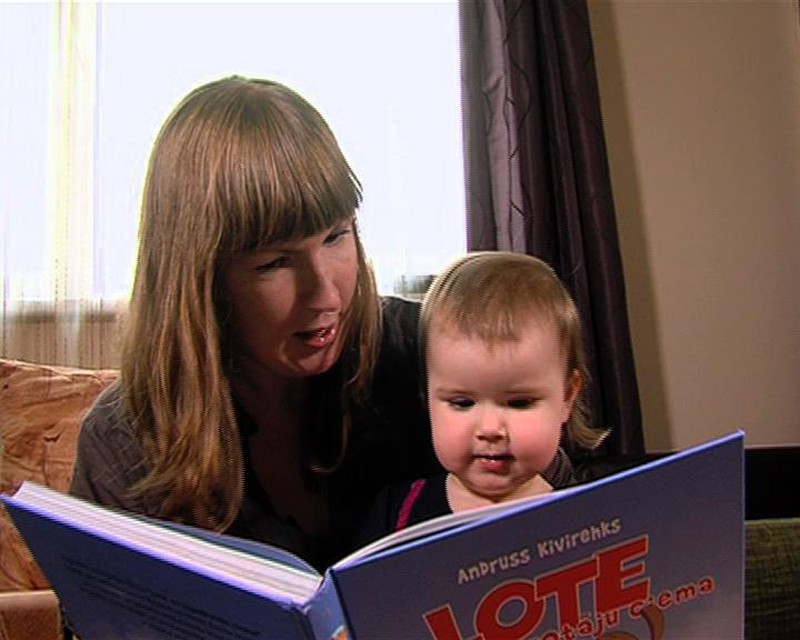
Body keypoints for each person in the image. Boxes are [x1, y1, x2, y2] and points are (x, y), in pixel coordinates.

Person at [68, 75, 450, 572]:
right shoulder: (127, 441)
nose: (326, 294)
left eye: (336, 236)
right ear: (201, 279)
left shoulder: (427, 354)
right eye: (274, 263)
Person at [359, 251, 607, 540]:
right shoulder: (395, 513)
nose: (490, 429)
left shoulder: (589, 521)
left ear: (567, 397)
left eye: (519, 403)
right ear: (427, 397)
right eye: (462, 403)